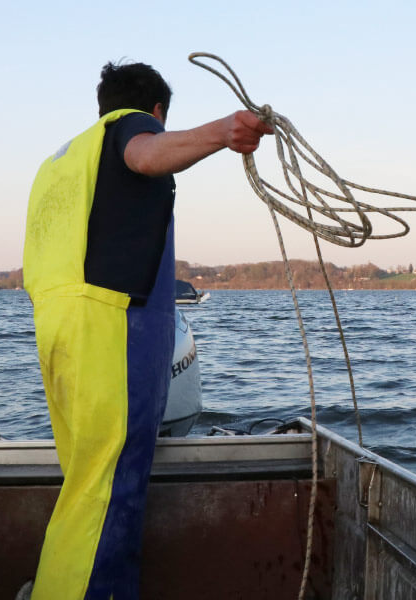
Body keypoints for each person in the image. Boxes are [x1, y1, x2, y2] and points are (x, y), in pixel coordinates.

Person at [22, 61, 271, 600]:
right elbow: (145, 154)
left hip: (56, 328)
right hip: (111, 329)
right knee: (109, 492)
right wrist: (223, 131)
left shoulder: (61, 161)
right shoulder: (129, 128)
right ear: (155, 110)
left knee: (86, 485)